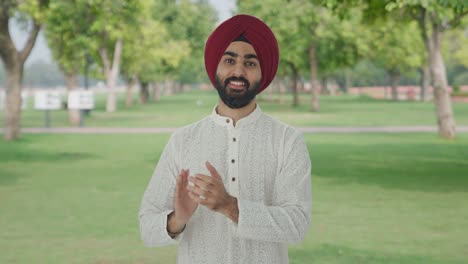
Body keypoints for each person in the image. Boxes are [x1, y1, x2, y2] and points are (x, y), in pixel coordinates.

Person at [139, 14, 312, 264]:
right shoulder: (183, 140)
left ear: (263, 72)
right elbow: (147, 226)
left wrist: (230, 206)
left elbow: (297, 225)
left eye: (250, 63)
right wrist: (178, 219)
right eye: (229, 60)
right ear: (216, 67)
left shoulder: (287, 140)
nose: (238, 71)